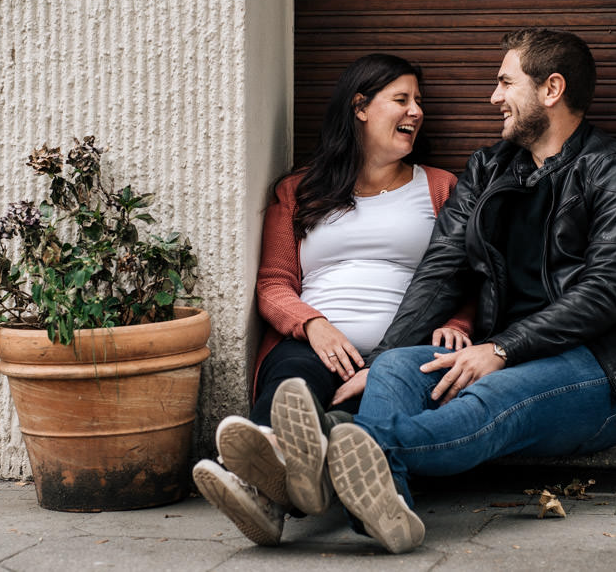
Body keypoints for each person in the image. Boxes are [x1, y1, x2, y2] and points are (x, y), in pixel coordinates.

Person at [271, 28, 616, 553]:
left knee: (485, 397)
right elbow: (440, 271)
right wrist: (377, 363)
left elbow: (608, 290)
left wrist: (502, 348)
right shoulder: (489, 168)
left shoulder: (612, 169)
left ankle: (324, 453)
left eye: (505, 82)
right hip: (496, 350)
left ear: (551, 89)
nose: (493, 97)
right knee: (400, 369)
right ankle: (389, 512)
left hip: (593, 370)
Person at [192, 53, 472, 545]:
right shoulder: (300, 190)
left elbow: (467, 275)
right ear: (360, 107)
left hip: (403, 349)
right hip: (318, 340)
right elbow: (274, 283)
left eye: (419, 102)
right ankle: (265, 477)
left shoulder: (442, 188)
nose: (417, 112)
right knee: (291, 382)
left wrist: (461, 325)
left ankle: (270, 496)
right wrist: (313, 325)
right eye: (402, 100)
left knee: (361, 412)